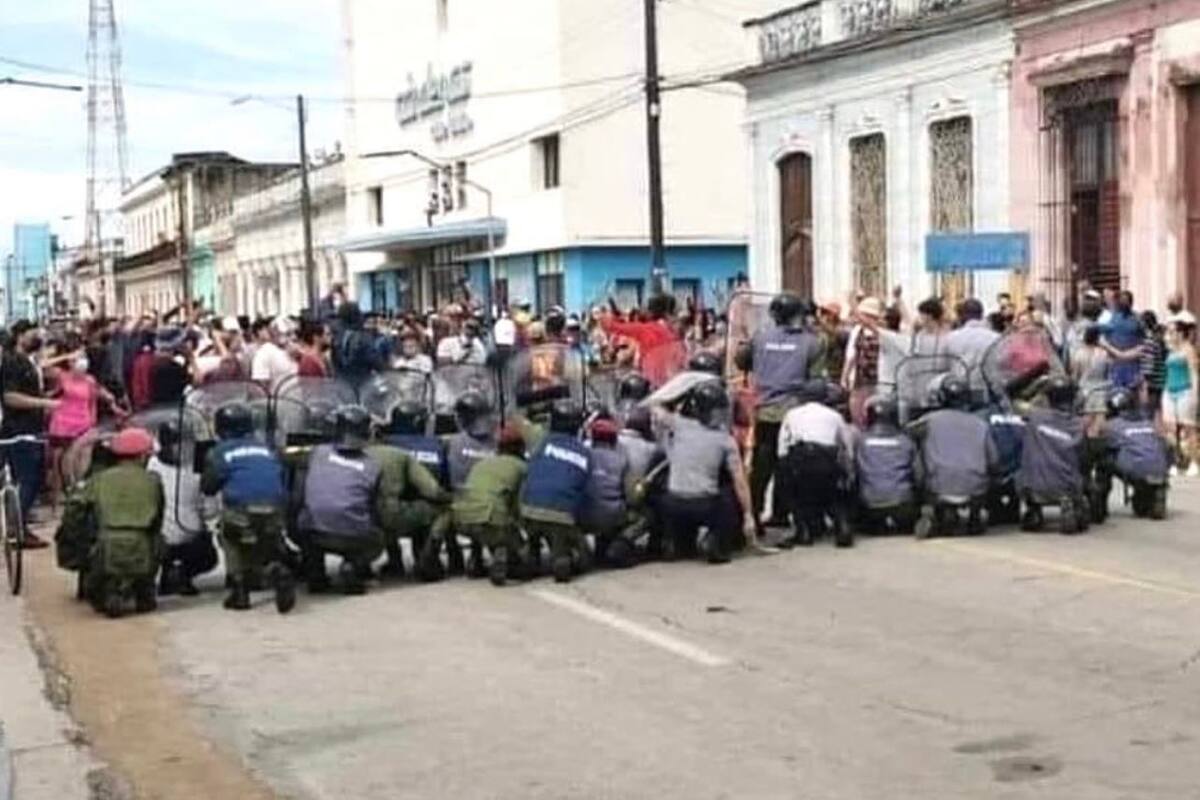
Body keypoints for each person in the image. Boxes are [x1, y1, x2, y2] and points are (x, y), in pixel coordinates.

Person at [737, 293, 823, 530]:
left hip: (765, 411)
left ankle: (753, 515)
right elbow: (816, 382)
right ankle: (782, 513)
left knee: (762, 467)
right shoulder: (812, 342)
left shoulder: (760, 337)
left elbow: (741, 361)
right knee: (789, 466)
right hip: (795, 413)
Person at [201, 403, 295, 612]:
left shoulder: (220, 452)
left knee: (228, 535)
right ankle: (275, 569)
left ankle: (239, 590)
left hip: (241, 512)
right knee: (267, 538)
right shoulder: (268, 449)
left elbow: (208, 487)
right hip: (275, 510)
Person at [654, 381, 757, 563]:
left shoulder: (679, 424)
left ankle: (675, 542)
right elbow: (739, 481)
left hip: (674, 503)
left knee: (664, 491)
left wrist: (678, 395)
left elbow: (656, 408)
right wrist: (748, 514)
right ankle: (716, 543)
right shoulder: (725, 440)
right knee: (728, 496)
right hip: (705, 504)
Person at [297, 406, 384, 594]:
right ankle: (353, 565)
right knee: (378, 538)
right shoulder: (373, 466)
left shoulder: (317, 453)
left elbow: (300, 491)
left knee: (304, 518)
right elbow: (373, 505)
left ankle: (315, 575)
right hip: (353, 536)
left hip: (314, 534)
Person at [79, 427, 164, 618]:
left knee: (95, 595)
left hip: (106, 545)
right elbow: (158, 519)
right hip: (142, 545)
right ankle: (144, 593)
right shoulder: (153, 480)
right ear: (143, 456)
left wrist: (81, 543)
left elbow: (77, 512)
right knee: (160, 542)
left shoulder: (99, 479)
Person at [908, 376, 997, 538]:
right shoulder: (981, 424)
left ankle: (929, 511)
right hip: (974, 487)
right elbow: (994, 461)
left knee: (917, 451)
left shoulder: (927, 421)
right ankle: (975, 516)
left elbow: (907, 438)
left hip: (937, 485)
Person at [520, 399, 592, 582]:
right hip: (560, 516)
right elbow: (584, 491)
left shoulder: (540, 442)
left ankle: (531, 554)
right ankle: (561, 557)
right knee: (584, 556)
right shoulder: (585, 453)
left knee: (536, 527)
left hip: (528, 511)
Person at [777, 380, 856, 546]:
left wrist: (786, 473)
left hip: (800, 460)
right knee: (835, 494)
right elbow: (847, 447)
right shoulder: (835, 416)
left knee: (792, 490)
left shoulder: (792, 414)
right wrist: (848, 471)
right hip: (827, 462)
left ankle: (803, 531)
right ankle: (842, 526)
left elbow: (782, 449)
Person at [0, 321, 57, 548]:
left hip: (31, 427)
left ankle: (18, 524)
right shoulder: (12, 363)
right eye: (33, 334)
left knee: (33, 478)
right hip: (19, 429)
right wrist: (45, 402)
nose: (38, 339)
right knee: (30, 479)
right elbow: (10, 397)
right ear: (21, 336)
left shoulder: (27, 362)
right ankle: (17, 527)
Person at [450, 424, 528, 586]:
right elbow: (520, 504)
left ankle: (475, 559)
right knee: (505, 532)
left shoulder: (481, 464)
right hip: (491, 518)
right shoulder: (521, 467)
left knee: (480, 521)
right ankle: (501, 554)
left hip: (461, 519)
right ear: (520, 447)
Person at [148, 420, 217, 596]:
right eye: (179, 444)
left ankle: (181, 575)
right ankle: (169, 574)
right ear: (165, 445)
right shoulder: (150, 468)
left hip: (191, 536)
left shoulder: (196, 468)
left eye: (188, 444)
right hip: (159, 539)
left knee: (209, 556)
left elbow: (210, 510)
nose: (185, 449)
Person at [1017, 377, 1088, 534]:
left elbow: (1017, 402)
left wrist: (1038, 387)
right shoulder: (1078, 424)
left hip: (1034, 484)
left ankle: (1033, 509)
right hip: (1067, 484)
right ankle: (1072, 503)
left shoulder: (1034, 417)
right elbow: (1084, 458)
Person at [1099, 389, 1170, 520]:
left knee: (1102, 461)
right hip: (1161, 467)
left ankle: (1100, 507)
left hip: (1134, 468)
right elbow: (1164, 444)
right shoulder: (1149, 423)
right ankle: (1155, 490)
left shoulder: (1112, 426)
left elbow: (1103, 446)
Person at [855, 396, 919, 535]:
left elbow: (853, 472)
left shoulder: (861, 442)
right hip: (903, 502)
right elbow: (918, 474)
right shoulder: (906, 441)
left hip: (869, 504)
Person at [582, 416, 634, 567]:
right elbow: (630, 496)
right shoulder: (622, 460)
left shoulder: (582, 456)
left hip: (583, 516)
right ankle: (620, 544)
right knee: (646, 515)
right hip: (613, 517)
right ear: (614, 439)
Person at [1162, 311, 1198, 477]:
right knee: (1170, 428)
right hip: (1170, 390)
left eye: (1173, 332)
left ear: (1181, 333)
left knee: (1188, 427)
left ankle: (1193, 461)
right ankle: (1175, 461)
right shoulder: (1171, 350)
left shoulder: (1188, 350)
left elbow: (1193, 372)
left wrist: (1195, 393)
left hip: (1185, 390)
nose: (1170, 335)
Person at [945, 298, 1000, 400]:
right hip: (987, 391)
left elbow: (946, 365)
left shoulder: (951, 337)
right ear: (981, 315)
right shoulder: (996, 338)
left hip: (959, 390)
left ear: (961, 316)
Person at [1071, 325, 1111, 437]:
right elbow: (1107, 374)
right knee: (1100, 423)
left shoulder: (1078, 354)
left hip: (1084, 390)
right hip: (1100, 390)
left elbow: (1075, 376)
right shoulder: (1104, 353)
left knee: (1085, 421)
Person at [250, 317, 298, 390]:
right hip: (277, 400)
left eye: (294, 333)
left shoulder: (295, 352)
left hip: (296, 400)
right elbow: (259, 387)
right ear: (274, 332)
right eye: (288, 334)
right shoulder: (264, 353)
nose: (293, 337)